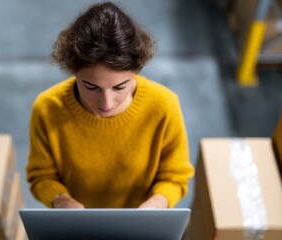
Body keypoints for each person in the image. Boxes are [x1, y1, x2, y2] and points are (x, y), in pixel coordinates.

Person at [26, 1, 194, 209]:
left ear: (136, 70)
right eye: (91, 86)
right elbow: (41, 176)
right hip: (76, 224)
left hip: (140, 223)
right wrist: (61, 201)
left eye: (119, 87)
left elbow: (176, 176)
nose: (106, 103)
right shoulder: (47, 109)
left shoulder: (164, 106)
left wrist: (157, 204)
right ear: (73, 71)